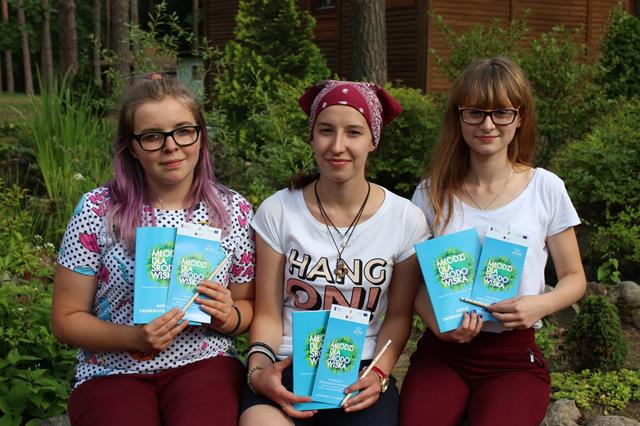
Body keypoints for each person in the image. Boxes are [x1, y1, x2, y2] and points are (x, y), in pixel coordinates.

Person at [51, 73, 256, 426]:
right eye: (152, 136)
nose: (171, 146)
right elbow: (66, 318)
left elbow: (248, 306)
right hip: (113, 372)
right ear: (131, 146)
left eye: (183, 131)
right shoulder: (98, 210)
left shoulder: (233, 210)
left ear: (200, 136)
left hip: (204, 363)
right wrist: (133, 337)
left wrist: (229, 315)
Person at [400, 57, 586, 426]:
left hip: (513, 357)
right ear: (459, 118)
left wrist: (539, 305)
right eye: (475, 113)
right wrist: (437, 324)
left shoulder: (545, 188)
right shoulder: (431, 193)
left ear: (520, 117)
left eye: (501, 112)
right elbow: (411, 282)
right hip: (443, 354)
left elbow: (574, 277)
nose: (488, 125)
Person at [238, 80, 430, 426]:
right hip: (286, 363)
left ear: (373, 140)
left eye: (353, 132)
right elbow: (267, 313)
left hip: (359, 371)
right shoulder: (278, 211)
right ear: (312, 136)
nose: (337, 146)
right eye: (326, 130)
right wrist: (260, 371)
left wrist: (378, 374)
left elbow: (399, 316)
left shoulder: (405, 219)